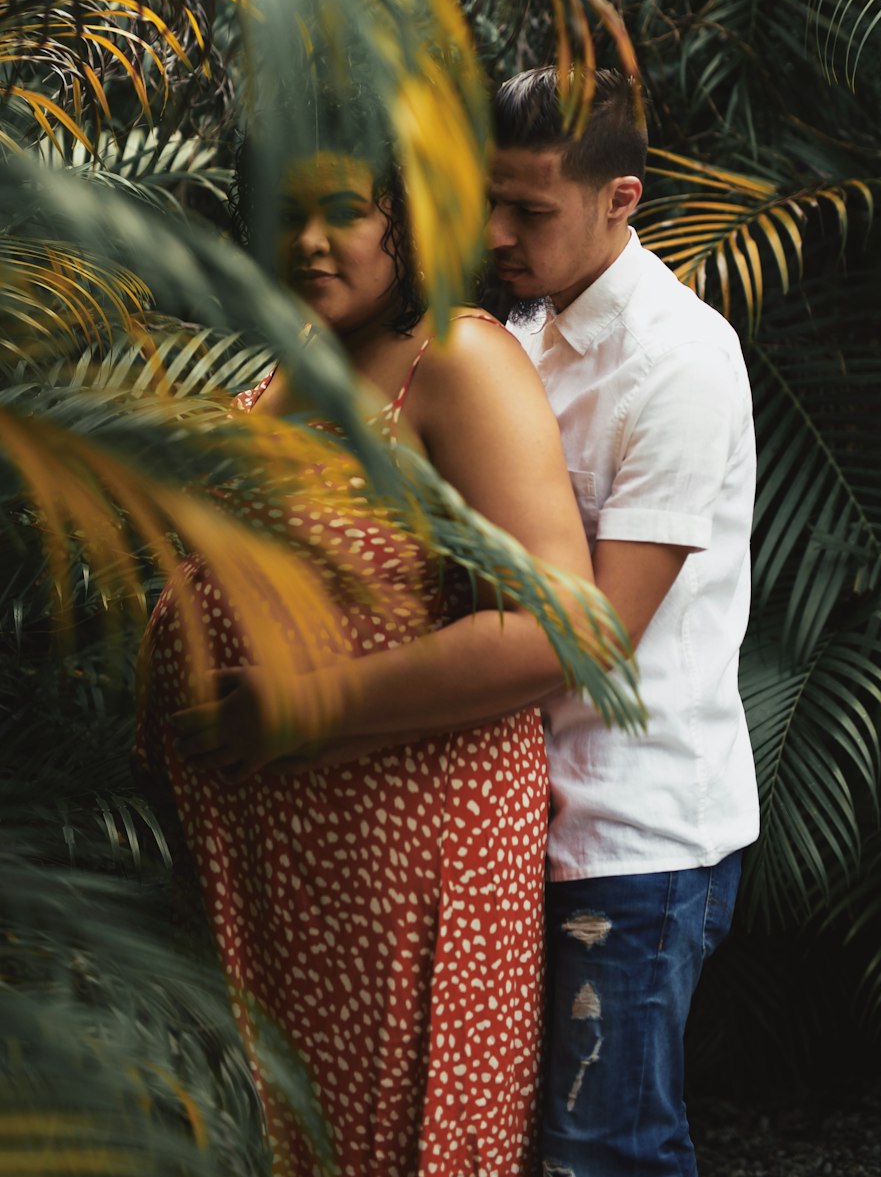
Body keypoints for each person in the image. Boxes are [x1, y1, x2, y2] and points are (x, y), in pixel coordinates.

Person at [135, 136, 597, 1177]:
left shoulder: (457, 358)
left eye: (342, 211)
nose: (306, 241)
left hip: (404, 867)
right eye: (284, 212)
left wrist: (310, 707)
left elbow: (559, 627)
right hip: (276, 872)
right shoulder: (292, 363)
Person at [486, 66, 759, 1177]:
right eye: (491, 201)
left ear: (622, 199)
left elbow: (592, 639)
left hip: (635, 839)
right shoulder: (515, 329)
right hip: (523, 817)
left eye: (532, 212)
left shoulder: (680, 362)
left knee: (608, 1154)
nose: (499, 232)